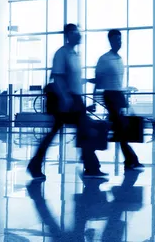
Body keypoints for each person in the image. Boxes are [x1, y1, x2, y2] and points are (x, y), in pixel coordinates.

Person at [27, 23, 108, 180]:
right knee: (78, 130)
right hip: (68, 100)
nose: (80, 35)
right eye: (77, 33)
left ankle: (36, 165)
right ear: (69, 34)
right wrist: (65, 97)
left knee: (79, 131)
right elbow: (57, 77)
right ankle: (90, 167)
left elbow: (73, 77)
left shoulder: (73, 54)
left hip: (75, 99)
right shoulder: (62, 53)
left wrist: (87, 80)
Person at [94, 29, 144, 171]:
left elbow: (117, 81)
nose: (119, 43)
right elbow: (99, 80)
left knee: (119, 129)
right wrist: (92, 100)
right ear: (110, 41)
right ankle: (131, 160)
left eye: (120, 40)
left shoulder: (119, 59)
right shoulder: (104, 59)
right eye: (116, 40)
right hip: (110, 96)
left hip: (118, 95)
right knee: (120, 129)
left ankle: (129, 160)